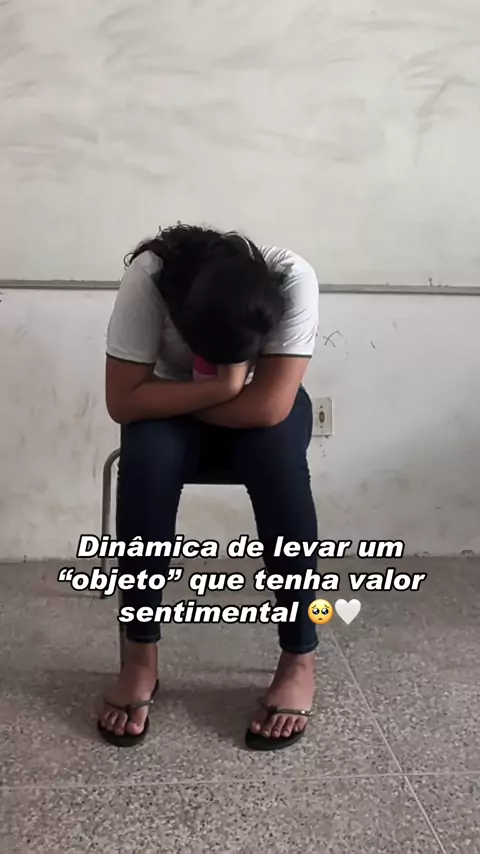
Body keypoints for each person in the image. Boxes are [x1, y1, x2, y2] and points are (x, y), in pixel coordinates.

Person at [97, 223, 320, 751]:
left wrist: (228, 386)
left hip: (249, 401)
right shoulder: (151, 276)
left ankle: (299, 657)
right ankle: (140, 658)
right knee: (147, 462)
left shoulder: (292, 277)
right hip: (177, 402)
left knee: (277, 462)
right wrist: (222, 386)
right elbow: (121, 401)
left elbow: (269, 405)